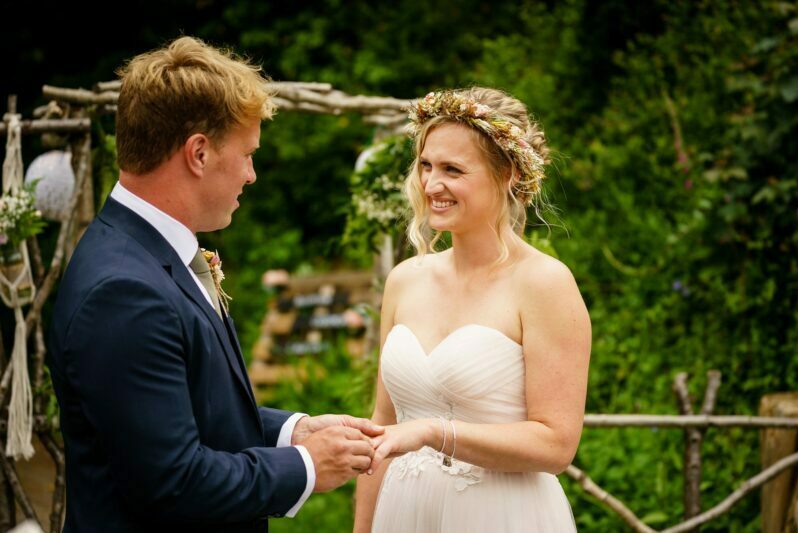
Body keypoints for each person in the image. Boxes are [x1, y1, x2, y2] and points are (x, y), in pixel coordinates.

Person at [48, 36, 382, 532]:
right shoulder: (122, 292)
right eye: (248, 154)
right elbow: (174, 482)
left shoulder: (148, 254)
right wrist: (309, 466)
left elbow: (187, 412)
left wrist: (295, 431)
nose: (251, 175)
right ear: (199, 154)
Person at [354, 88, 591, 532]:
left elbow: (556, 445)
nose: (430, 185)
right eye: (425, 165)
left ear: (507, 173)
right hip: (404, 512)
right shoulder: (405, 279)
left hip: (500, 515)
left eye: (452, 170)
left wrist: (432, 433)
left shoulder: (544, 283)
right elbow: (383, 424)